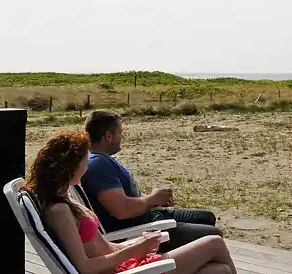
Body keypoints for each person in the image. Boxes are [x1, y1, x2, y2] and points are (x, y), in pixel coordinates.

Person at [23, 130, 237, 274]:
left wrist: (138, 244)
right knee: (214, 243)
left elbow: (104, 246)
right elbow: (85, 267)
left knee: (219, 271)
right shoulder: (59, 211)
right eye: (85, 163)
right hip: (123, 270)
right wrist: (135, 251)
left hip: (124, 263)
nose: (86, 168)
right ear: (70, 166)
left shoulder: (65, 199)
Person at [80, 110, 223, 253]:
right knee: (213, 234)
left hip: (149, 216)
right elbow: (122, 210)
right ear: (108, 136)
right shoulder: (99, 165)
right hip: (142, 231)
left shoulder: (101, 160)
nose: (122, 136)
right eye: (120, 132)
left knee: (206, 217)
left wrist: (155, 199)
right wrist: (153, 198)